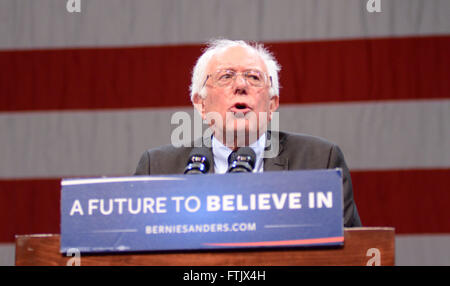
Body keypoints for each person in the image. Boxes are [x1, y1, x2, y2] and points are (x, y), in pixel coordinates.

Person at [135, 39, 361, 227]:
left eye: (254, 77)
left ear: (272, 104)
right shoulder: (157, 168)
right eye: (226, 76)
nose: (241, 85)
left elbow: (353, 253)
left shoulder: (319, 161)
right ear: (201, 104)